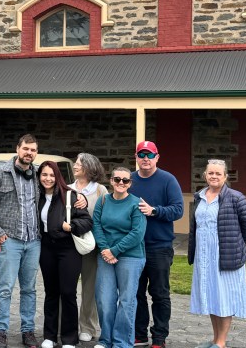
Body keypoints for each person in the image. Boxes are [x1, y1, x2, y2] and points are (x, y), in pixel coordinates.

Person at [0, 133, 41, 348]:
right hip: (10, 240)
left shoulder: (38, 175)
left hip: (34, 240)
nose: (29, 153)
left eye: (33, 150)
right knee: (5, 288)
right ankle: (0, 331)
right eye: (26, 148)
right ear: (18, 149)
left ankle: (28, 331)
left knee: (30, 289)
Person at [189, 159, 246, 348]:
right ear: (205, 175)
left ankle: (221, 342)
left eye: (218, 173)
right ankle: (215, 339)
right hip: (204, 257)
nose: (214, 176)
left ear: (225, 177)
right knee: (212, 296)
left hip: (226, 256)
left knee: (224, 298)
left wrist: (240, 252)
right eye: (211, 173)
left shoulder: (236, 197)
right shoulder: (199, 196)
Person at [129, 141, 184, 348]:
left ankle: (159, 337)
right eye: (141, 154)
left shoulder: (168, 180)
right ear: (136, 157)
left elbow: (178, 210)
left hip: (159, 247)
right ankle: (139, 334)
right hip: (134, 247)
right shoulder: (129, 180)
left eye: (150, 155)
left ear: (157, 157)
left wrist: (154, 211)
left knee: (159, 294)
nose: (145, 158)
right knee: (136, 292)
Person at [37, 160, 93, 348]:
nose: (48, 178)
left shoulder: (70, 196)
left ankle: (69, 338)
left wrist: (72, 226)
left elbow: (87, 221)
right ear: (39, 176)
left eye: (51, 175)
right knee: (51, 292)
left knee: (68, 292)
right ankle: (50, 336)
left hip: (67, 248)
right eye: (44, 175)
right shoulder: (37, 196)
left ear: (58, 176)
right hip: (46, 247)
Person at [93, 167, 147, 348]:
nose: (121, 183)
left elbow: (137, 233)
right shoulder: (103, 201)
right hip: (105, 255)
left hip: (130, 256)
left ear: (130, 183)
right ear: (111, 181)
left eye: (125, 180)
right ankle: (106, 340)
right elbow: (97, 226)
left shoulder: (136, 203)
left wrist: (114, 251)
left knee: (126, 300)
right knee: (104, 300)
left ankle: (122, 342)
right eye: (117, 179)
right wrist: (105, 249)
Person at [69, 152, 108, 343]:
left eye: (78, 163)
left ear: (89, 168)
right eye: (75, 163)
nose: (75, 166)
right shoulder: (67, 188)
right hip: (70, 246)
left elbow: (105, 218)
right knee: (67, 287)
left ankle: (87, 326)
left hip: (91, 247)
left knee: (89, 288)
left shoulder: (100, 190)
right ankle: (66, 325)